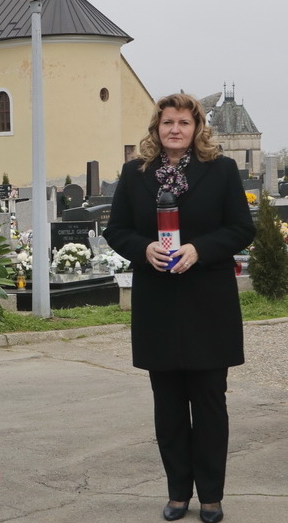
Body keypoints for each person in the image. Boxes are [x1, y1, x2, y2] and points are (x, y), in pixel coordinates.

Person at [103, 94, 255, 523]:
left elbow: (242, 229)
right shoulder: (136, 174)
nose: (175, 129)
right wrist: (143, 248)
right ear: (157, 127)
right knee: (167, 405)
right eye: (167, 121)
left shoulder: (221, 170)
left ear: (196, 128)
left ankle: (210, 495)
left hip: (209, 303)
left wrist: (199, 249)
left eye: (183, 122)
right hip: (158, 303)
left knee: (209, 403)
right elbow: (117, 230)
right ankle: (176, 493)